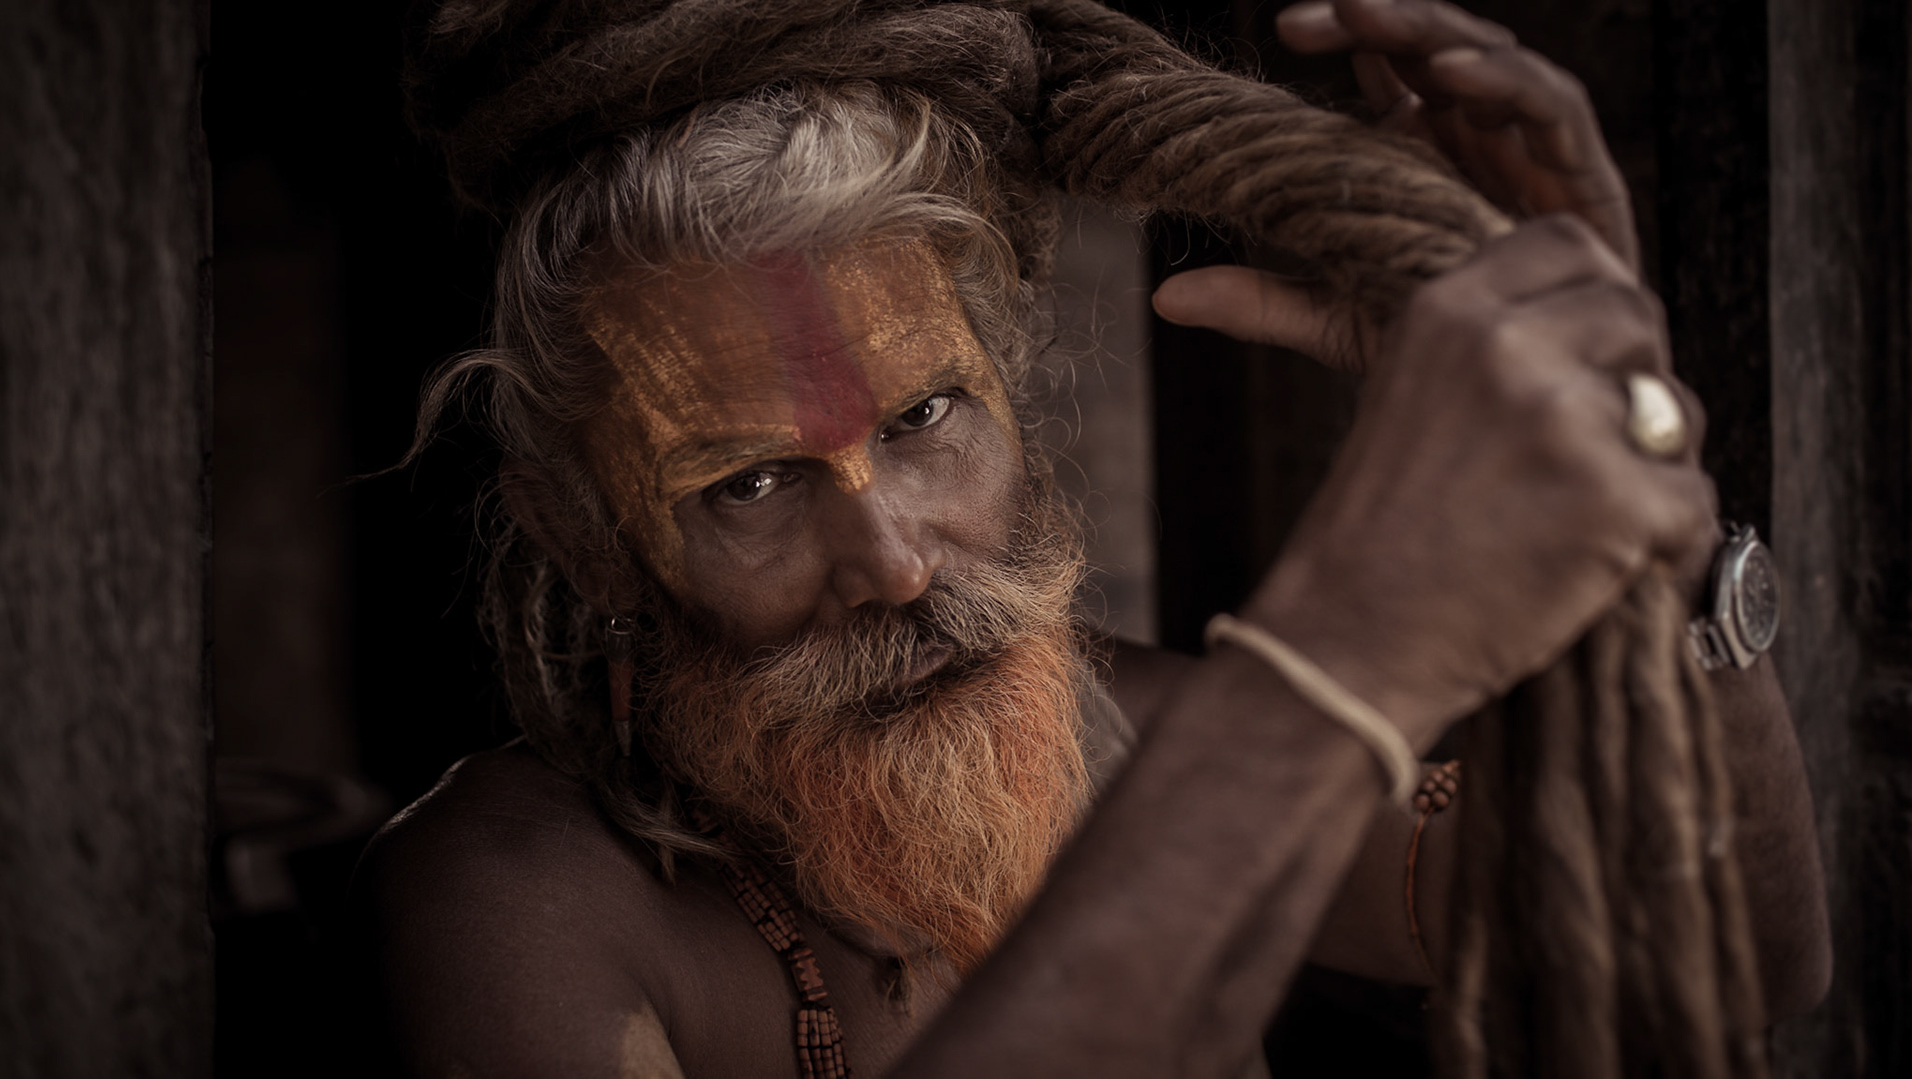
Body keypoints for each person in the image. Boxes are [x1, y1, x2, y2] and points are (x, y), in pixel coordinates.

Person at [356, 1, 1830, 1075]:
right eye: (746, 485)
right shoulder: (509, 902)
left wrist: (1644, 457)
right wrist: (1329, 666)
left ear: (1014, 386)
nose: (896, 562)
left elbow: (1738, 957)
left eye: (929, 415)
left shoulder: (1117, 736)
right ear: (588, 531)